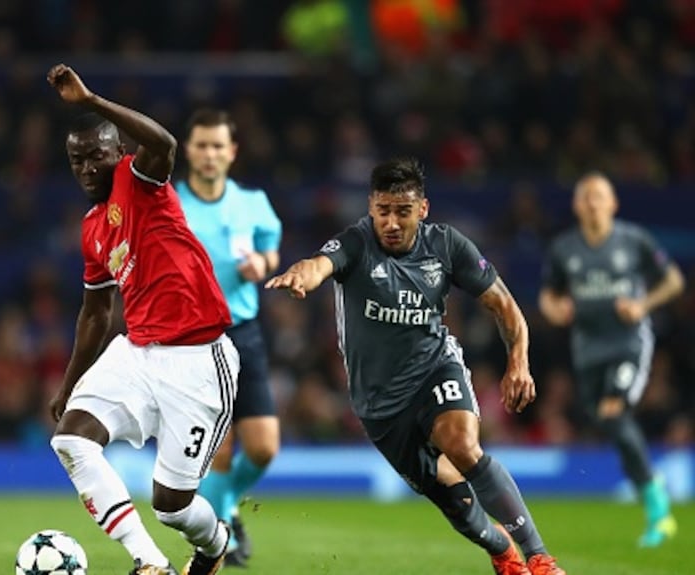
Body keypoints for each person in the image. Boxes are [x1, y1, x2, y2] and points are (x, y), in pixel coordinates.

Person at [265, 158, 566, 575]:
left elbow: (505, 306)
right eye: (383, 211)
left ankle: (539, 557)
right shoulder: (355, 242)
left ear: (422, 209)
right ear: (371, 207)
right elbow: (320, 264)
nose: (391, 222)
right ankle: (503, 550)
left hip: (434, 369)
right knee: (458, 505)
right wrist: (302, 274)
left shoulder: (447, 246)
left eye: (402, 212)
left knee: (461, 443)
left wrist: (519, 363)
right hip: (380, 405)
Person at [46, 63, 240, 575]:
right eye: (76, 161)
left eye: (96, 157)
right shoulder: (92, 229)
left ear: (119, 155)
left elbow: (166, 144)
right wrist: (71, 382)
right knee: (70, 439)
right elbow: (95, 312)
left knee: (172, 507)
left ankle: (215, 542)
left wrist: (91, 101)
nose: (87, 169)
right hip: (136, 353)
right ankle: (150, 564)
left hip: (199, 360)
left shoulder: (140, 182)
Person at [539, 172, 684, 548]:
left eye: (598, 196)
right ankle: (649, 484)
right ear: (575, 205)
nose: (591, 203)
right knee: (602, 417)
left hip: (628, 343)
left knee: (614, 409)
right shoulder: (564, 249)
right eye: (584, 196)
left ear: (613, 203)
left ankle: (657, 504)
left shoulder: (632, 241)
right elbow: (549, 296)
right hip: (587, 349)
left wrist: (642, 305)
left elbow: (673, 281)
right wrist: (556, 310)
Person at [175, 109, 282, 567]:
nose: (210, 153)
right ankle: (220, 533)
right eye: (201, 144)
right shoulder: (171, 204)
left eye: (218, 145)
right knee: (218, 446)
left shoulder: (252, 203)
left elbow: (271, 248)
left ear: (232, 152)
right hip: (194, 337)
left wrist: (263, 264)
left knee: (263, 447)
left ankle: (228, 504)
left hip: (244, 331)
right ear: (188, 150)